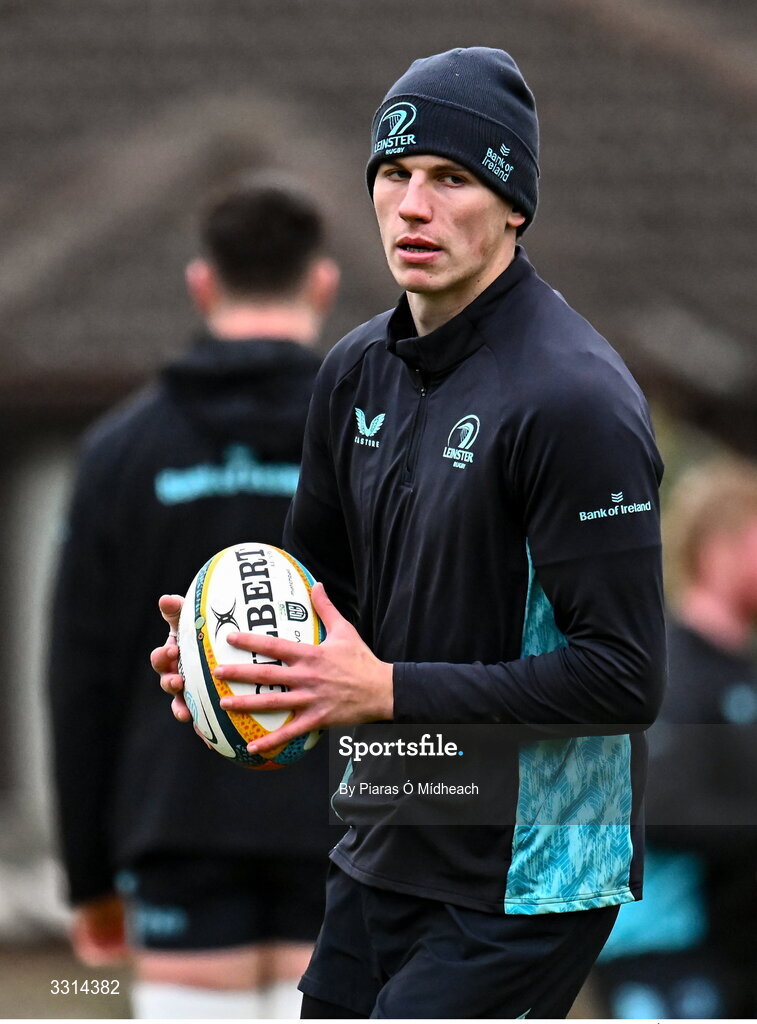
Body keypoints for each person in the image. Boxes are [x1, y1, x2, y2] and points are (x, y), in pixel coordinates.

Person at [154, 46, 666, 1019]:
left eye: (452, 179)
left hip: (528, 876)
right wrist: (242, 662)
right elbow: (325, 596)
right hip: (383, 834)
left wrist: (380, 689)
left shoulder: (573, 400)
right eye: (394, 175)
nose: (414, 206)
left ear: (512, 205)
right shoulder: (352, 374)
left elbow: (626, 675)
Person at [48, 175, 340, 1019]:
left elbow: (80, 675)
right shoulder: (365, 438)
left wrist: (89, 876)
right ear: (320, 282)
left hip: (175, 824)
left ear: (201, 283)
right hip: (341, 820)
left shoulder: (118, 450)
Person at [592, 457, 757, 1019]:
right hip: (663, 954)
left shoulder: (741, 671)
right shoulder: (666, 666)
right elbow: (659, 805)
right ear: (720, 548)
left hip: (731, 953)